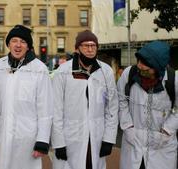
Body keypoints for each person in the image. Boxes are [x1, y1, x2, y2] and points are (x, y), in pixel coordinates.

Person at [51, 30, 118, 169]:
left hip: (97, 137)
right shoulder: (63, 72)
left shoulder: (105, 72)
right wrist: (59, 143)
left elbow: (112, 108)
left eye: (93, 46)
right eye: (85, 46)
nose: (90, 49)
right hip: (70, 136)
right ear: (77, 49)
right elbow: (55, 109)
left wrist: (109, 139)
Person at [0, 24, 53, 169]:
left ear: (28, 46)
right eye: (14, 40)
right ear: (8, 44)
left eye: (23, 42)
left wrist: (43, 140)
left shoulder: (39, 69)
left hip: (27, 140)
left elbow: (46, 108)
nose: (18, 45)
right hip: (2, 137)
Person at [117, 40, 178, 169]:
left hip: (161, 147)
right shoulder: (129, 74)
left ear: (158, 67)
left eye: (146, 64)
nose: (140, 66)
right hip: (133, 143)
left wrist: (167, 130)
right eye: (139, 61)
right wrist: (127, 126)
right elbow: (121, 100)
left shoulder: (174, 80)